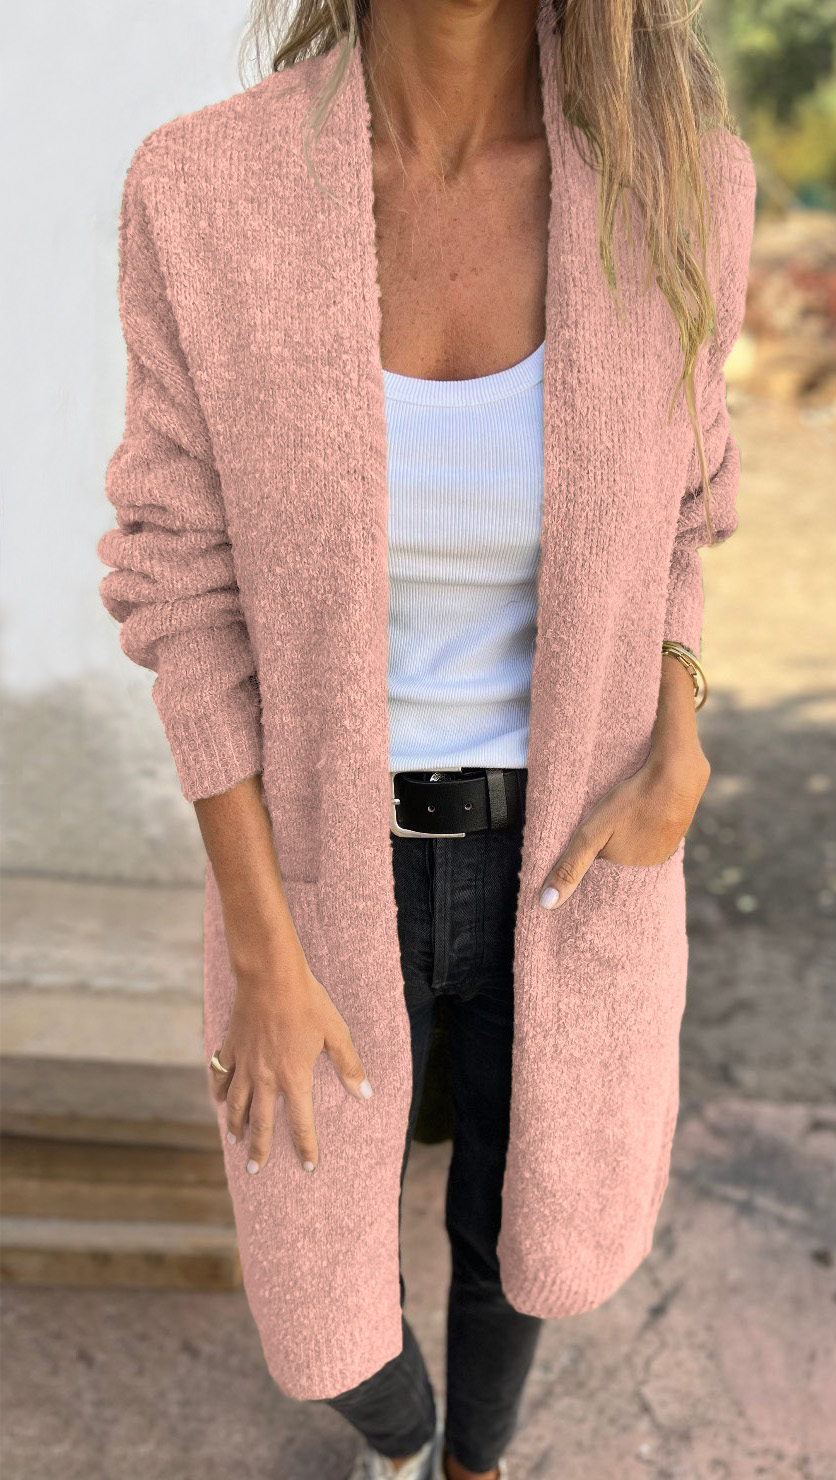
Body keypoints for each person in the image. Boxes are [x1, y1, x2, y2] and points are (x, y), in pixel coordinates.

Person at [96, 1, 757, 1477]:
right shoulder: (203, 191)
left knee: (526, 1236)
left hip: (576, 858)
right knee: (322, 1314)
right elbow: (178, 583)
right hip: (323, 874)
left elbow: (687, 508)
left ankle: (475, 1464)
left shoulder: (679, 180)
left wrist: (681, 738)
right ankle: (403, 1440)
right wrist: (263, 949)